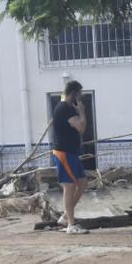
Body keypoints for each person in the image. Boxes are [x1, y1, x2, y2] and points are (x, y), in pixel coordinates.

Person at [50, 80, 90, 234]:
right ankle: (71, 225)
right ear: (74, 93)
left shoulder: (67, 108)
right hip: (63, 153)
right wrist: (81, 111)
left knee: (82, 183)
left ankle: (65, 216)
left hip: (71, 153)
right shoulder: (64, 108)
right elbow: (81, 128)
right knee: (70, 186)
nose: (80, 99)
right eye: (79, 95)